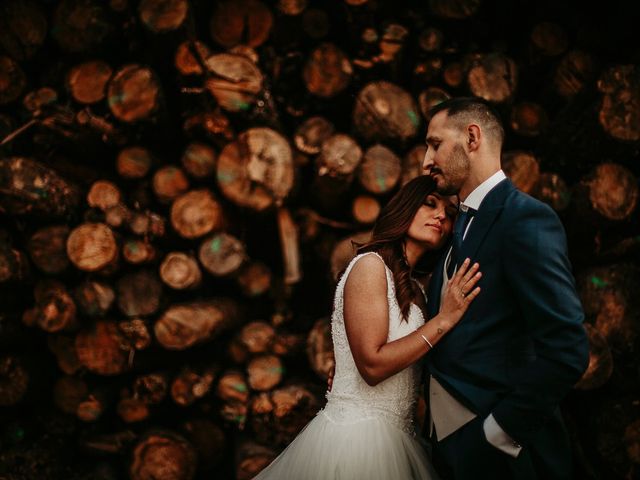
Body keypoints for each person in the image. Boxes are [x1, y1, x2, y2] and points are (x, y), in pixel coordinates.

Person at [253, 175, 482, 480]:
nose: (441, 215)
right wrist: (445, 320)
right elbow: (372, 366)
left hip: (401, 439)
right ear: (403, 208)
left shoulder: (419, 291)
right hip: (356, 439)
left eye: (450, 215)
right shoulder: (370, 266)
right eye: (429, 204)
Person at [421, 96, 589, 479]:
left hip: (502, 456)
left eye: (434, 144)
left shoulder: (525, 220)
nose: (425, 161)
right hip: (446, 448)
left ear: (472, 137)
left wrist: (498, 432)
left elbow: (568, 348)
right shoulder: (455, 224)